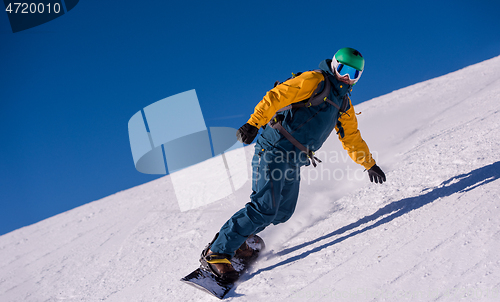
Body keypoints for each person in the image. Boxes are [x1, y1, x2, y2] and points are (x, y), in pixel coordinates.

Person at [199, 47, 386, 281]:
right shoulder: (315, 80)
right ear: (334, 65)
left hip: (294, 159)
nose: (347, 77)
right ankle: (217, 252)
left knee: (282, 213)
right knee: (264, 207)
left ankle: (239, 241)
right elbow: (277, 95)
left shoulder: (343, 104)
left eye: (354, 74)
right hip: (275, 148)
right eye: (344, 70)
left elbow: (352, 137)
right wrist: (254, 123)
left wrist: (369, 163)